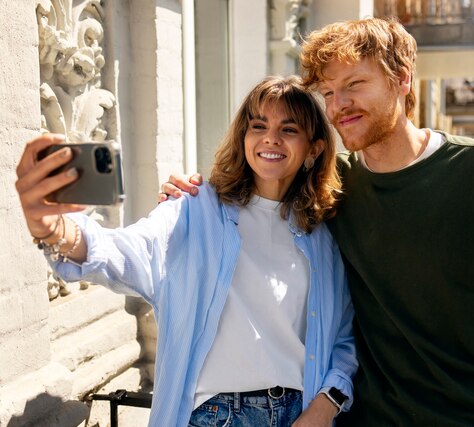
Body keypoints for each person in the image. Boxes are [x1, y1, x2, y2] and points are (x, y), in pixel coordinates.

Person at [160, 18, 474, 426]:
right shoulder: (332, 186)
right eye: (328, 93)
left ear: (402, 78)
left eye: (355, 85)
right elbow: (258, 190)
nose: (339, 106)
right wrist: (193, 194)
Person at [15, 76, 358, 427]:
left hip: (299, 415)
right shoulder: (195, 208)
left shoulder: (322, 236)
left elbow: (344, 338)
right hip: (217, 417)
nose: (270, 137)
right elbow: (132, 251)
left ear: (313, 149)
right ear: (244, 136)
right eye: (258, 125)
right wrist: (58, 231)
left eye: (288, 129)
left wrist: (325, 405)